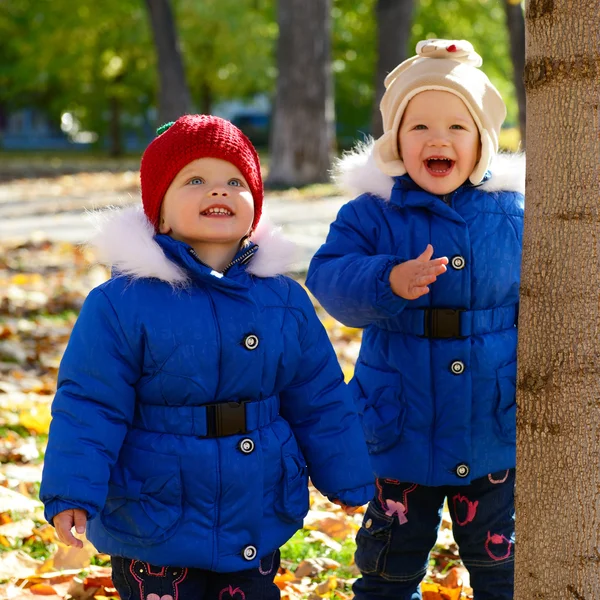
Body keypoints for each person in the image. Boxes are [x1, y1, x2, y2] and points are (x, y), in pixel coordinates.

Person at [40, 115, 374, 600]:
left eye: (235, 182)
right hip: (155, 516)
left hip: (255, 508)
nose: (218, 191)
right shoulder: (122, 303)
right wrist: (73, 490)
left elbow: (318, 396)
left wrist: (346, 474)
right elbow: (90, 404)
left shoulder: (283, 299)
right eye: (195, 180)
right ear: (161, 212)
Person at [306, 39, 524, 600]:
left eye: (458, 126)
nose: (438, 139)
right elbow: (330, 279)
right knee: (388, 563)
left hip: (492, 426)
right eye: (419, 126)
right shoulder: (371, 215)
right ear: (395, 143)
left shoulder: (515, 215)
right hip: (399, 425)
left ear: (482, 143)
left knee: (504, 564)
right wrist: (386, 280)